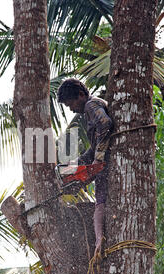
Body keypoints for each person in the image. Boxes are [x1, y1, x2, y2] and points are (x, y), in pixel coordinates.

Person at [57, 78, 112, 255]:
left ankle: (98, 241)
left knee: (100, 203)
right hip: (105, 160)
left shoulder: (90, 105)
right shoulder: (93, 106)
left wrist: (99, 157)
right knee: (99, 201)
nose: (72, 108)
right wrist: (76, 164)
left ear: (81, 95)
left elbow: (105, 124)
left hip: (108, 162)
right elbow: (95, 145)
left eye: (71, 103)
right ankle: (99, 238)